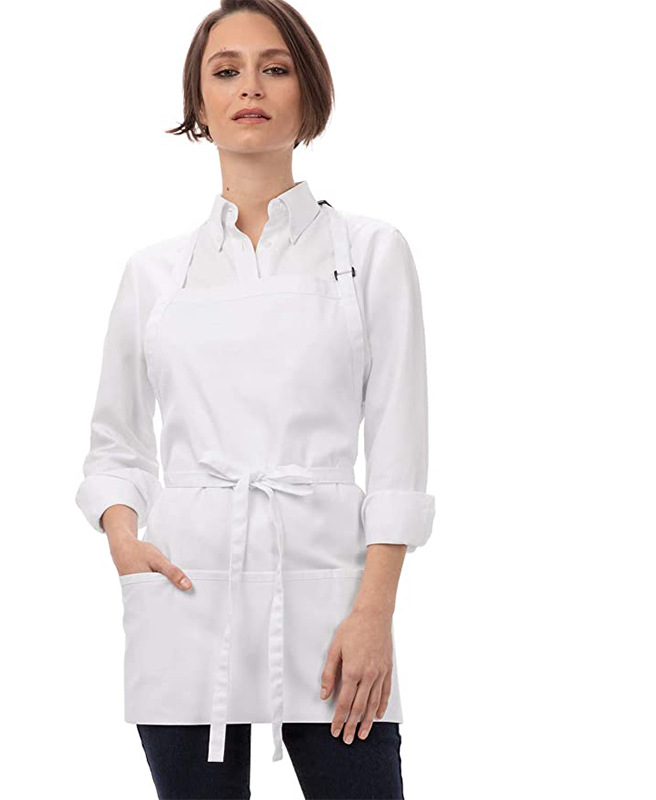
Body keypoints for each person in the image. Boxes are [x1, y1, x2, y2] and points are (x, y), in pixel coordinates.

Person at [75, 1, 436, 797]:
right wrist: (123, 537)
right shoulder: (153, 273)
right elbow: (115, 444)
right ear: (199, 102)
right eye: (226, 70)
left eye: (275, 68)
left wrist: (373, 613)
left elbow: (399, 453)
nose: (251, 87)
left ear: (309, 91)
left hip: (332, 597)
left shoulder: (371, 253)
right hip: (185, 593)